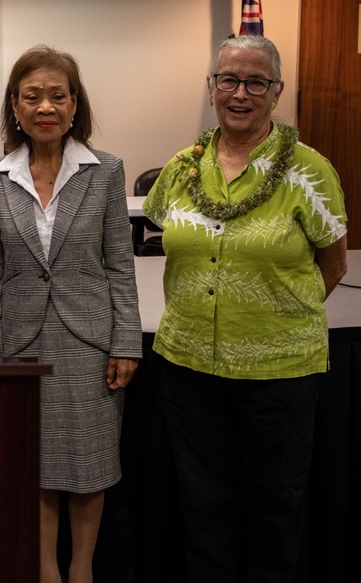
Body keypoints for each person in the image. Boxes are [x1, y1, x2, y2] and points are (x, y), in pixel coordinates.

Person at [143, 34, 348, 582]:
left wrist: (275, 317)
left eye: (255, 81)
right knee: (203, 505)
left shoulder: (310, 170)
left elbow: (334, 267)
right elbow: (163, 232)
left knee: (274, 509)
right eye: (228, 79)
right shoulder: (181, 169)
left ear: (276, 92)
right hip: (188, 367)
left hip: (280, 373)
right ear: (212, 88)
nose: (240, 92)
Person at [0, 46, 141, 583]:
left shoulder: (106, 171)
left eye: (57, 95)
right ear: (16, 107)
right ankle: (45, 570)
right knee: (38, 466)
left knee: (88, 463)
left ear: (75, 105)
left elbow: (120, 264)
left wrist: (126, 343)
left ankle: (82, 571)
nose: (45, 106)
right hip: (21, 340)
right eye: (32, 96)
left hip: (90, 340)